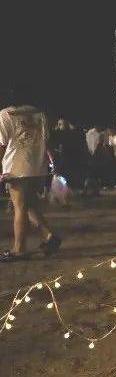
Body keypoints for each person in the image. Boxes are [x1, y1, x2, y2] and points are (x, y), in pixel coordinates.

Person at [0, 96, 62, 262]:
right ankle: (49, 236)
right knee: (28, 205)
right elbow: (47, 140)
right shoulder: (40, 114)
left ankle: (19, 249)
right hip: (37, 167)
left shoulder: (6, 114)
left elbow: (1, 144)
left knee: (19, 207)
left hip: (16, 168)